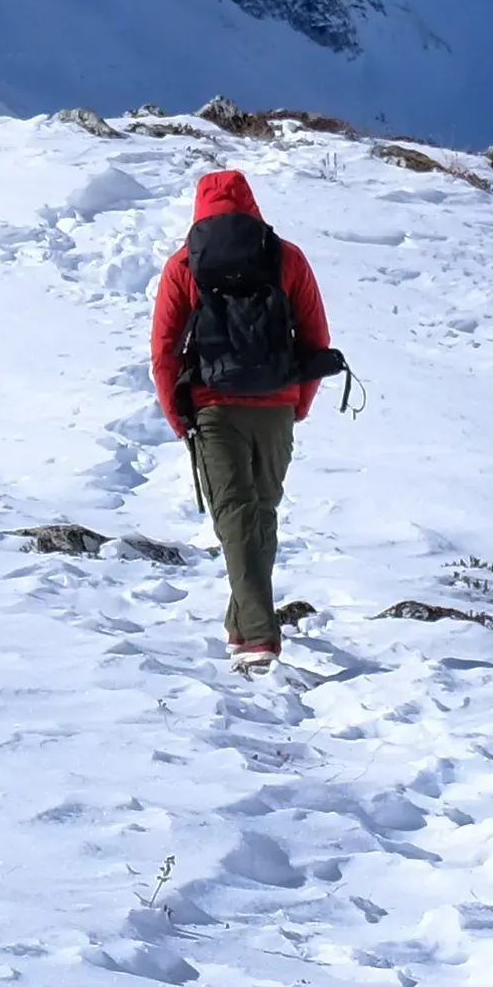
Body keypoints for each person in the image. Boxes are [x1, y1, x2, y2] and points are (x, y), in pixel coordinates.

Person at [144, 165, 343, 661]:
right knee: (259, 514)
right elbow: (316, 339)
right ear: (251, 204)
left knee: (235, 515)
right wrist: (298, 404)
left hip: (213, 407)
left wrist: (178, 416)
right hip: (276, 404)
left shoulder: (184, 265)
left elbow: (165, 352)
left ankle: (256, 635)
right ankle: (245, 624)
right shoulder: (286, 257)